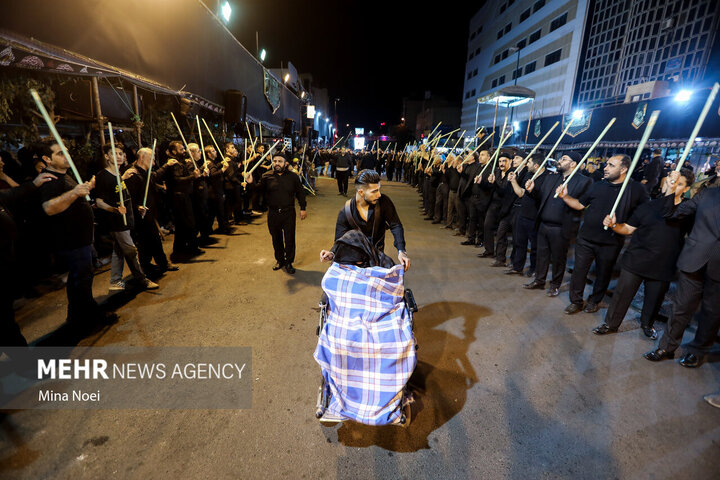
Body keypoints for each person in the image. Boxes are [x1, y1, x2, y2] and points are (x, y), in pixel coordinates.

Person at [592, 169, 694, 338]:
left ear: (686, 189)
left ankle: (647, 324)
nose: (673, 185)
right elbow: (628, 228)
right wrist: (613, 225)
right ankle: (611, 324)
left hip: (664, 265)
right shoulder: (648, 206)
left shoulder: (688, 211)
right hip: (636, 260)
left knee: (654, 301)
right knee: (621, 296)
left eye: (678, 183)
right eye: (671, 181)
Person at [644, 169, 720, 367]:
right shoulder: (707, 193)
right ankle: (667, 347)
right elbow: (672, 213)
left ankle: (697, 351)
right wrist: (670, 190)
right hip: (694, 259)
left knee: (711, 313)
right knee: (681, 307)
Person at [36, 139, 114, 329]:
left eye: (67, 152)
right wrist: (75, 193)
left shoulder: (63, 175)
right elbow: (49, 207)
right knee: (81, 281)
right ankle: (87, 319)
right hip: (72, 241)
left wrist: (86, 188)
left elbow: (74, 197)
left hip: (82, 239)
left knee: (81, 279)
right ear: (47, 159)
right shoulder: (49, 179)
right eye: (60, 153)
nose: (67, 156)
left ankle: (79, 316)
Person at [557, 154, 648, 314]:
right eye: (606, 164)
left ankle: (594, 300)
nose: (605, 168)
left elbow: (643, 214)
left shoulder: (636, 189)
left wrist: (618, 225)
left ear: (624, 169)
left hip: (611, 242)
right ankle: (576, 301)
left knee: (603, 274)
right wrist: (565, 197)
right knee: (579, 271)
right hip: (586, 239)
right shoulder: (597, 185)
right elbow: (579, 204)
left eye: (611, 165)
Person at [523, 152, 593, 297]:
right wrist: (531, 191)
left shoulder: (583, 181)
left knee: (558, 258)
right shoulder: (552, 177)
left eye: (564, 159)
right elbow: (540, 197)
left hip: (562, 227)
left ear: (573, 164)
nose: (559, 161)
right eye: (560, 158)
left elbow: (581, 204)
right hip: (544, 224)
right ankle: (539, 280)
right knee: (542, 255)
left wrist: (565, 196)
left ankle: (555, 284)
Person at [1, 170, 55, 354]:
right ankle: (23, 361)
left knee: (7, 319)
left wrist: (34, 184)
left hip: (6, 266)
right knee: (5, 322)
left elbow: (13, 194)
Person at [95, 144, 159, 291]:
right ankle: (142, 279)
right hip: (116, 222)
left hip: (127, 219)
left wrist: (137, 208)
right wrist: (114, 209)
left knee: (118, 250)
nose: (119, 156)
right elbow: (99, 202)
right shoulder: (102, 176)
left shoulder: (119, 174)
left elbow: (123, 195)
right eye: (115, 153)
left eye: (121, 153)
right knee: (131, 251)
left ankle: (115, 280)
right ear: (107, 156)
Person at [320, 169, 410, 271]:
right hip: (355, 262)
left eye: (379, 189)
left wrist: (401, 251)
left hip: (377, 257)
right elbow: (340, 240)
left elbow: (395, 225)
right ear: (361, 192)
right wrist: (332, 253)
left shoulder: (384, 202)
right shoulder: (346, 211)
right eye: (374, 191)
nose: (379, 194)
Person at [245, 152, 307, 274]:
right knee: (276, 238)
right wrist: (251, 182)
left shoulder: (293, 177)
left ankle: (289, 262)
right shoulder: (267, 176)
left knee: (289, 239)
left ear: (286, 163)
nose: (276, 164)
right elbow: (258, 190)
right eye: (275, 161)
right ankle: (280, 260)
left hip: (288, 212)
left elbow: (300, 193)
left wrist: (303, 208)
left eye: (279, 161)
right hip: (273, 213)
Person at [122, 147, 179, 277]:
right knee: (146, 241)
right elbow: (129, 196)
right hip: (140, 215)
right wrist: (137, 207)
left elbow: (154, 176)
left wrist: (166, 165)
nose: (153, 162)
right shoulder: (132, 173)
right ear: (142, 158)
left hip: (150, 212)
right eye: (151, 158)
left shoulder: (145, 172)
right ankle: (150, 266)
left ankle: (159, 264)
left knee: (152, 240)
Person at [506, 153, 545, 276]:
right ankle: (518, 267)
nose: (527, 164)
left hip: (535, 217)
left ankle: (534, 269)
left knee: (534, 246)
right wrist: (513, 182)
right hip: (523, 214)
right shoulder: (528, 174)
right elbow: (521, 193)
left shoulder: (546, 177)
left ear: (537, 165)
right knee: (519, 242)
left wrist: (532, 190)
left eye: (529, 162)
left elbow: (542, 197)